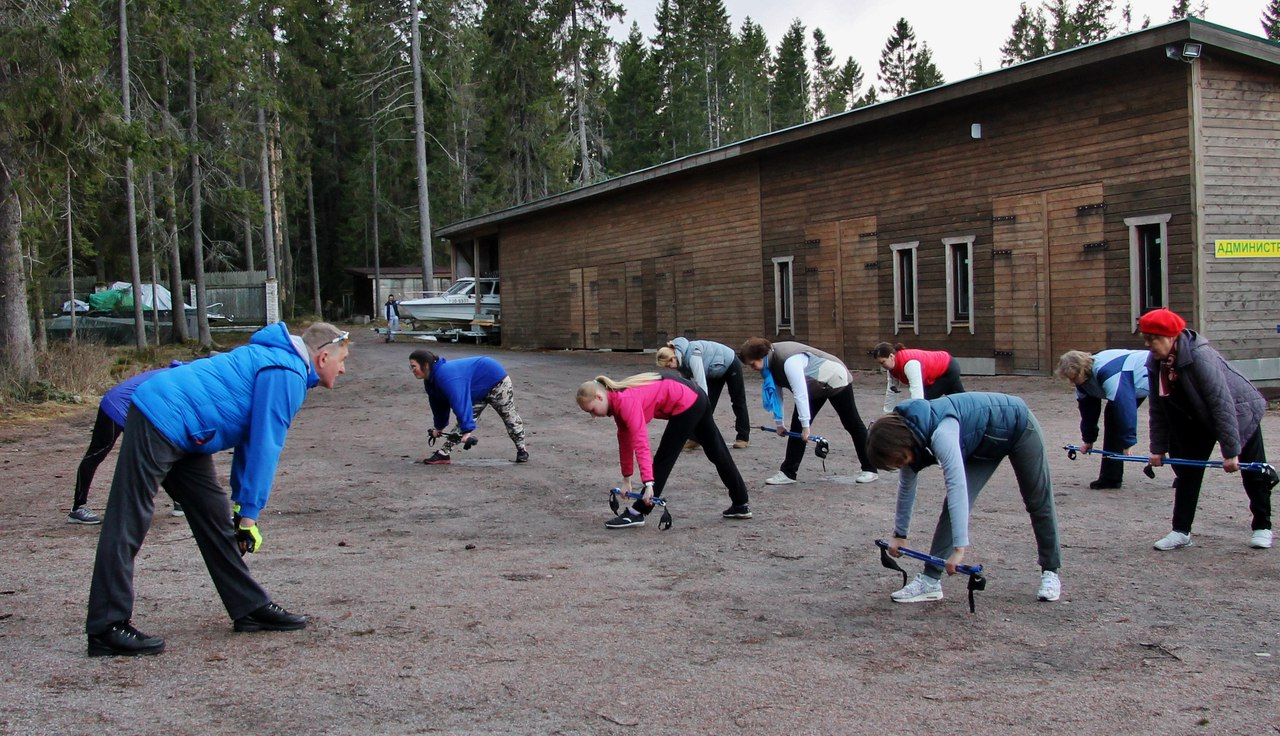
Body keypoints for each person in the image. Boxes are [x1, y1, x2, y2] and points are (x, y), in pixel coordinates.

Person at [84, 322, 350, 657]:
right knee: (130, 517)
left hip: (191, 431)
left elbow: (251, 440)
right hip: (161, 414)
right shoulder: (288, 372)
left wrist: (242, 510)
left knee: (213, 515)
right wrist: (251, 515)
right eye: (342, 360)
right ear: (323, 356)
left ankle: (248, 607)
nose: (343, 368)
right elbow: (266, 446)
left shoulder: (280, 363)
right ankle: (106, 626)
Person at [866, 392, 1063, 604]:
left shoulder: (942, 432)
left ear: (902, 443)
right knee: (951, 508)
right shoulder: (909, 439)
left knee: (1038, 501)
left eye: (898, 460)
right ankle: (930, 581)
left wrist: (960, 548)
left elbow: (956, 487)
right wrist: (899, 533)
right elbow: (906, 486)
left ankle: (1050, 572)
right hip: (981, 445)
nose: (900, 465)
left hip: (1018, 426)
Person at [1138, 308, 1273, 551]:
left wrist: (1231, 452)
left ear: (1170, 336)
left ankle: (1262, 526)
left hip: (1240, 411)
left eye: (1152, 339)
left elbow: (1221, 404)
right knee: (1188, 470)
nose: (1149, 345)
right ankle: (1181, 531)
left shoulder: (1200, 357)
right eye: (1146, 339)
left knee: (1253, 471)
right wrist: (1157, 449)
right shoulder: (1156, 363)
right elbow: (1158, 408)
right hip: (1196, 418)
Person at [576, 372, 752, 527]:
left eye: (591, 410)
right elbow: (625, 440)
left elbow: (641, 442)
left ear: (599, 397)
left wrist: (649, 483)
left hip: (688, 403)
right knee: (718, 452)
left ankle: (639, 512)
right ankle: (741, 503)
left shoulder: (625, 401)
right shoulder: (617, 402)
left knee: (664, 457)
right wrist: (626, 478)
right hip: (696, 396)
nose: (593, 416)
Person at [738, 337, 877, 485]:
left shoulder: (789, 361)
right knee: (796, 426)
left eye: (753, 364)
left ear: (762, 356)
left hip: (834, 378)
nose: (752, 368)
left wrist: (806, 426)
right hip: (814, 385)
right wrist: (779, 423)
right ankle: (788, 473)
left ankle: (870, 469)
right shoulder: (768, 366)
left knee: (852, 423)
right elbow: (777, 393)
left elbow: (800, 393)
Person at [68, 362, 185, 525]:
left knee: (157, 453)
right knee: (96, 453)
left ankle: (179, 501)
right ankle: (78, 508)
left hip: (131, 408)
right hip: (116, 406)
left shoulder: (179, 372)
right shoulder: (181, 379)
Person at [409, 350, 529, 464]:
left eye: (414, 366)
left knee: (508, 416)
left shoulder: (446, 376)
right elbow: (438, 405)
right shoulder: (430, 381)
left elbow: (460, 402)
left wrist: (467, 431)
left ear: (425, 365)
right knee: (464, 420)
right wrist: (439, 427)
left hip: (496, 381)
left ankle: (522, 450)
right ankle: (443, 454)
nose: (412, 370)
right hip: (476, 389)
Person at [1056, 349, 1150, 490]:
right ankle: (1110, 478)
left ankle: (1183, 473)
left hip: (1150, 375)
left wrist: (1128, 441)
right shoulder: (1082, 383)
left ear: (1083, 368)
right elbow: (1088, 412)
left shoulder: (1108, 372)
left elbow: (1124, 406)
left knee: (1172, 420)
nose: (1072, 381)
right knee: (1112, 415)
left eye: (1074, 377)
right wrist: (1088, 440)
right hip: (1132, 384)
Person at [655, 337, 751, 451]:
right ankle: (695, 438)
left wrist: (698, 404)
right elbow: (687, 387)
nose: (668, 368)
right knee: (708, 403)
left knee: (737, 400)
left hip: (729, 363)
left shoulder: (692, 355)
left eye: (667, 365)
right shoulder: (680, 363)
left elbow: (701, 384)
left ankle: (743, 437)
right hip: (713, 370)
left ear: (673, 358)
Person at [873, 342, 965, 413]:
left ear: (891, 356)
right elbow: (891, 391)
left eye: (883, 362)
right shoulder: (892, 368)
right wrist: (887, 414)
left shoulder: (910, 364)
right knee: (962, 401)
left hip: (947, 368)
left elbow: (917, 394)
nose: (882, 366)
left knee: (926, 401)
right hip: (943, 366)